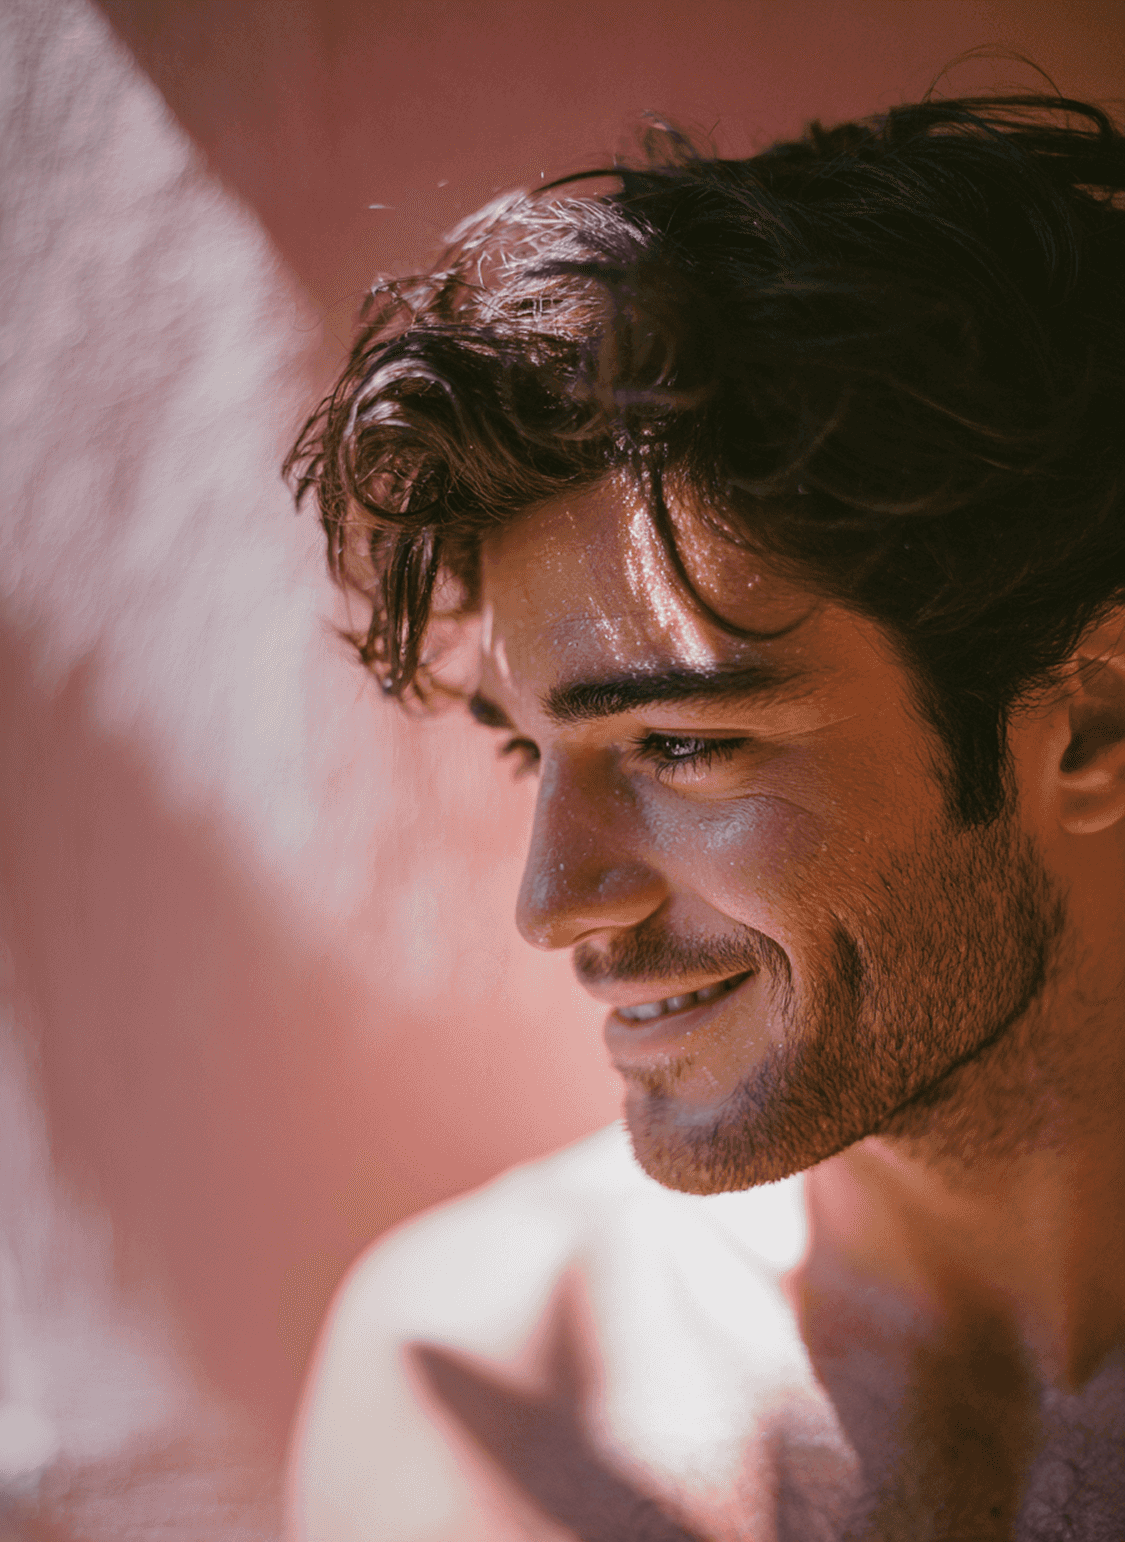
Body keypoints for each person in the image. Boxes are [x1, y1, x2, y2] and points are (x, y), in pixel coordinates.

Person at [284, 95, 1125, 1540]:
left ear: (1092, 721)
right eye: (529, 752)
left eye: (678, 743)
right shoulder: (468, 1402)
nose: (552, 903)